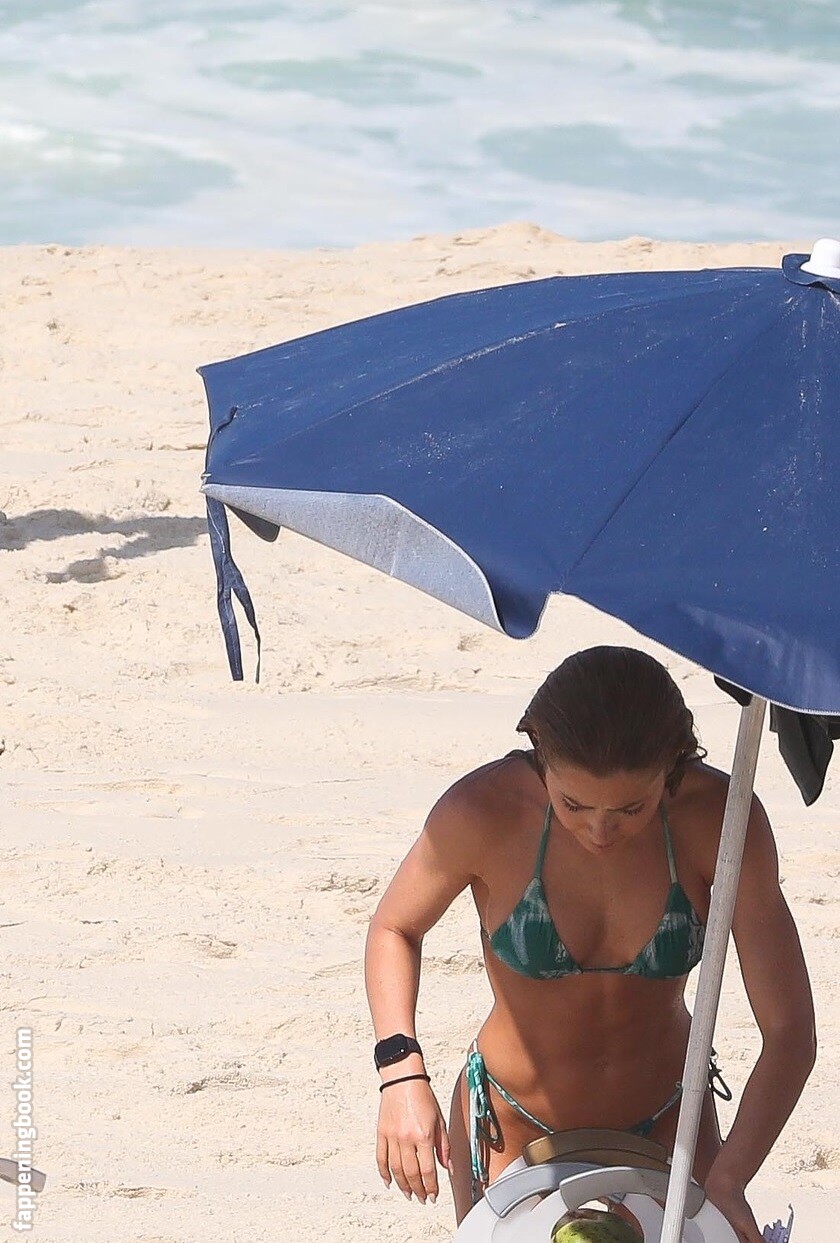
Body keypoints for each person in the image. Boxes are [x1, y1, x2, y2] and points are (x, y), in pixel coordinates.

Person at [364, 646, 816, 1243]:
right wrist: (401, 1076)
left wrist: (731, 1177)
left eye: (632, 808)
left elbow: (790, 1033)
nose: (601, 831)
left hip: (672, 1123)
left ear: (674, 766)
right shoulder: (484, 811)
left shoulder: (724, 823)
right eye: (573, 804)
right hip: (512, 1123)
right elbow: (395, 928)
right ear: (538, 752)